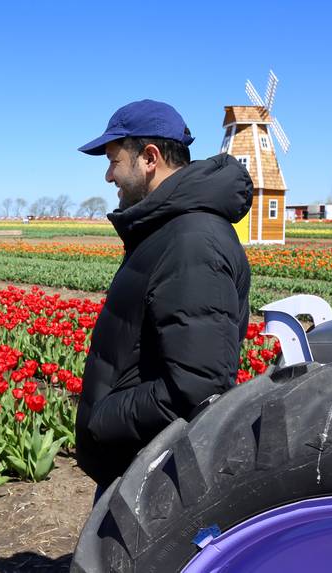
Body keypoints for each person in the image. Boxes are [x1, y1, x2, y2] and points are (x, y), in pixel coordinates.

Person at [74, 100, 253, 502]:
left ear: (150, 158)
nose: (108, 176)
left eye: (114, 161)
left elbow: (198, 385)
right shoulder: (166, 230)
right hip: (138, 458)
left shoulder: (192, 242)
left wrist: (104, 416)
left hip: (156, 472)